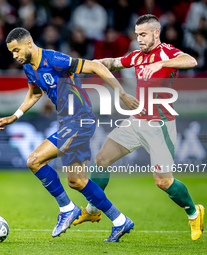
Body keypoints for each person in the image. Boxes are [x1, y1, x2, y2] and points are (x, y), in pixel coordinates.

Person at [0, 27, 139, 242]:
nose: (14, 56)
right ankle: (120, 221)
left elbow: (96, 66)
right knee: (77, 181)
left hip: (79, 121)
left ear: (28, 44)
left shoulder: (54, 59)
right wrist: (15, 116)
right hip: (69, 122)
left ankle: (67, 209)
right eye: (11, 52)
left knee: (34, 160)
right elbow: (35, 93)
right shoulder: (29, 67)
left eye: (16, 50)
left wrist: (123, 94)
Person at [74, 14, 205, 241]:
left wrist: (161, 64)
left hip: (160, 124)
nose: (139, 39)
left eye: (143, 35)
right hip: (136, 121)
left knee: (163, 181)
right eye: (137, 35)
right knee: (102, 159)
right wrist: (83, 65)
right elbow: (113, 63)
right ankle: (93, 211)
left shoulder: (167, 53)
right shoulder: (136, 55)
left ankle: (195, 213)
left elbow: (191, 61)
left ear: (156, 33)